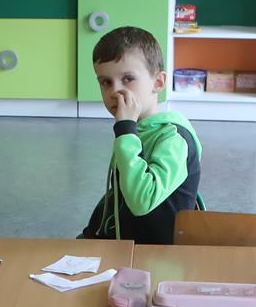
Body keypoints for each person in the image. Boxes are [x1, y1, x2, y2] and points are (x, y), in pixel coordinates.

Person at [79, 26, 201, 245]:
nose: (115, 91)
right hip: (126, 248)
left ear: (158, 83)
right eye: (105, 82)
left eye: (128, 79)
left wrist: (125, 130)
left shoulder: (173, 138)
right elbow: (121, 192)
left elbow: (141, 201)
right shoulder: (137, 129)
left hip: (159, 256)